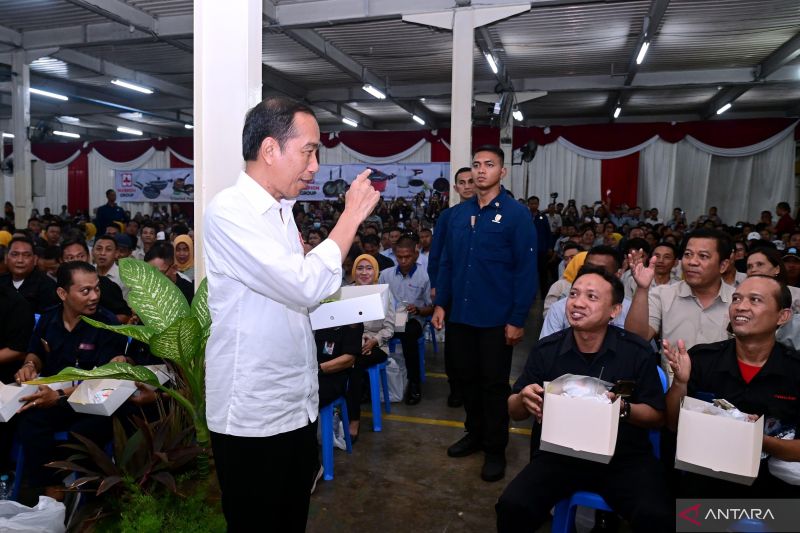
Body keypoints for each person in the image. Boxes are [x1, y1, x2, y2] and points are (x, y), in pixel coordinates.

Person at [202, 96, 379, 532]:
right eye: (309, 150)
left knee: (290, 518)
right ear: (269, 150)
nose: (315, 165)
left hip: (294, 403)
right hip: (253, 412)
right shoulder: (230, 212)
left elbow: (306, 295)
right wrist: (351, 215)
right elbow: (304, 284)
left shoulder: (281, 214)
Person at [496, 266, 672, 533]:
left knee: (658, 516)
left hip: (623, 459)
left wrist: (621, 409)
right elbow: (515, 410)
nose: (577, 303)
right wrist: (523, 398)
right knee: (511, 507)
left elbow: (657, 416)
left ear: (614, 311)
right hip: (559, 456)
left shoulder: (635, 353)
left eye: (591, 297)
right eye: (574, 294)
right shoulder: (547, 350)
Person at [432, 144, 538, 483]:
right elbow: (447, 263)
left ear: (502, 172)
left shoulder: (516, 215)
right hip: (460, 316)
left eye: (489, 165)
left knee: (493, 387)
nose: (480, 171)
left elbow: (526, 270)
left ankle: (495, 449)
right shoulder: (458, 216)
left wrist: (517, 319)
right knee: (465, 380)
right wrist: (440, 303)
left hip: (496, 319)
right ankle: (474, 433)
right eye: (476, 164)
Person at [664, 275, 800, 497]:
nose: (741, 307)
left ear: (782, 316)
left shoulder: (795, 370)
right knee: (690, 518)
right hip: (710, 475)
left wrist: (756, 439)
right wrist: (680, 383)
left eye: (755, 300)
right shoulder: (702, 358)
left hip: (776, 481)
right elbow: (672, 425)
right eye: (736, 299)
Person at [14, 261, 128, 500]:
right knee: (28, 416)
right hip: (52, 396)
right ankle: (49, 488)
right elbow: (35, 351)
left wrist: (59, 396)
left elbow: (104, 380)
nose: (94, 296)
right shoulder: (48, 319)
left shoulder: (108, 325)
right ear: (62, 293)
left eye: (97, 289)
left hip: (91, 403)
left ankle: (90, 497)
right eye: (85, 291)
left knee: (83, 432)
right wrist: (29, 365)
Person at [625, 228, 735, 350]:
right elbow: (636, 339)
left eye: (703, 256)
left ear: (723, 265)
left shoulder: (738, 301)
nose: (692, 262)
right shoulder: (662, 295)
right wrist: (642, 289)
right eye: (688, 254)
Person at [428, 166, 475, 408]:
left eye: (471, 181)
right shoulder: (448, 216)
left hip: (477, 291)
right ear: (456, 188)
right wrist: (436, 285)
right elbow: (437, 255)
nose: (467, 186)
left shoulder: (490, 212)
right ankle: (455, 388)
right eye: (462, 182)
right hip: (452, 290)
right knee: (454, 347)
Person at [379, 236, 432, 405]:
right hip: (390, 318)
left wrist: (417, 309)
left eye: (407, 256)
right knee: (372, 334)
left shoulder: (424, 277)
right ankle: (374, 381)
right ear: (394, 255)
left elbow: (431, 307)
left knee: (408, 334)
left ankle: (414, 381)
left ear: (415, 255)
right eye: (399, 257)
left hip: (413, 319)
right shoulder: (386, 275)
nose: (403, 260)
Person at [348, 253, 393, 439]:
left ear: (375, 271)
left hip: (377, 344)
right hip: (351, 343)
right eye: (360, 268)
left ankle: (353, 420)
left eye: (369, 268)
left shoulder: (383, 292)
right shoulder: (346, 291)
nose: (364, 272)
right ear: (353, 271)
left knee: (354, 364)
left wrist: (374, 340)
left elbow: (390, 327)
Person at [540, 246, 630, 338]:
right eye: (589, 269)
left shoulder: (629, 310)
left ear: (617, 275)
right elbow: (546, 348)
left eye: (602, 271)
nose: (593, 275)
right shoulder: (558, 308)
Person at [0, 237, 59, 315]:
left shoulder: (47, 286)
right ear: (6, 258)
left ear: (35, 260)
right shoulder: (2, 281)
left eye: (26, 255)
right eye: (15, 254)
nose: (20, 260)